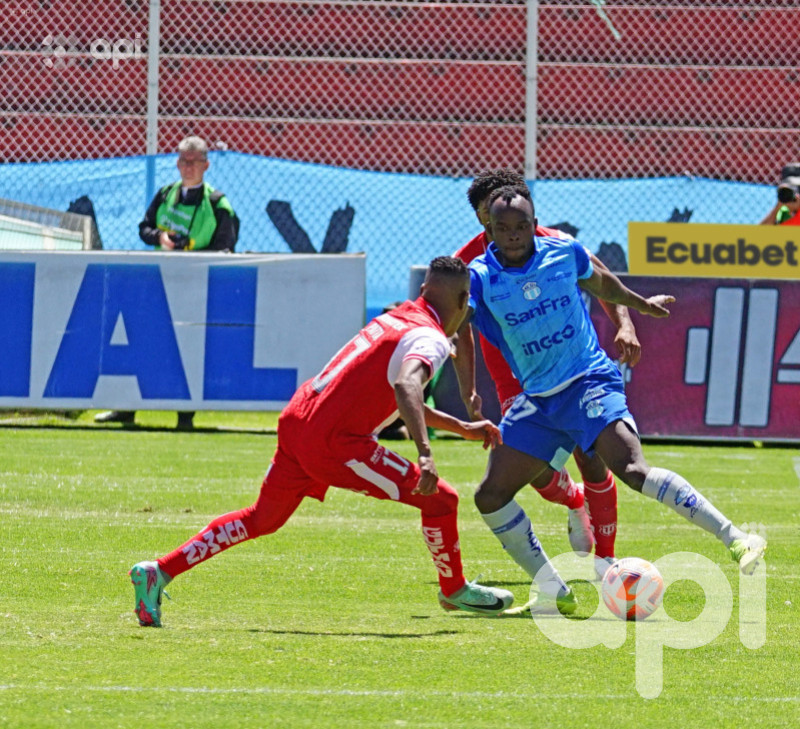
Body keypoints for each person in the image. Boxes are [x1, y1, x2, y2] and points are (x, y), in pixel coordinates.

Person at [129, 256, 514, 627]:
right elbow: (407, 385)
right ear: (464, 302)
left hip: (300, 420)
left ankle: (158, 571)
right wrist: (425, 452)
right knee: (441, 499)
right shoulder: (429, 338)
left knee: (262, 519)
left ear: (425, 288)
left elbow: (392, 394)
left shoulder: (396, 318)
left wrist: (460, 427)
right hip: (337, 442)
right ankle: (453, 589)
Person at [456, 187, 767, 615]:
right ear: (488, 227)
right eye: (504, 228)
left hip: (588, 382)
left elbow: (602, 281)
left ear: (534, 222)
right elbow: (455, 326)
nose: (513, 235)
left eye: (522, 226)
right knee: (490, 496)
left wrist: (639, 308)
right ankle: (552, 589)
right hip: (539, 401)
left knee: (632, 470)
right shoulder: (477, 276)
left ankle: (736, 539)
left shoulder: (562, 251)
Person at [454, 169, 641, 578]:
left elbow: (602, 280)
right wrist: (468, 388)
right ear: (481, 218)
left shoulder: (553, 241)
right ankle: (574, 502)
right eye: (489, 213)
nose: (503, 222)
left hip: (571, 366)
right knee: (537, 473)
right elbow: (460, 330)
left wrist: (625, 325)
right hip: (513, 377)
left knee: (592, 457)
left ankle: (606, 560)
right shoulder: (469, 264)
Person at [95, 136, 239, 429]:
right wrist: (160, 238)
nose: (188, 167)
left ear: (206, 165)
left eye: (194, 161)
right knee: (140, 340)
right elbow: (143, 228)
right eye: (183, 161)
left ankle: (184, 415)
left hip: (196, 284)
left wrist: (194, 252)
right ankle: (127, 408)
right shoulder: (165, 194)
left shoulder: (217, 203)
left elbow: (227, 247)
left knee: (188, 346)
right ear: (176, 163)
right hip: (160, 280)